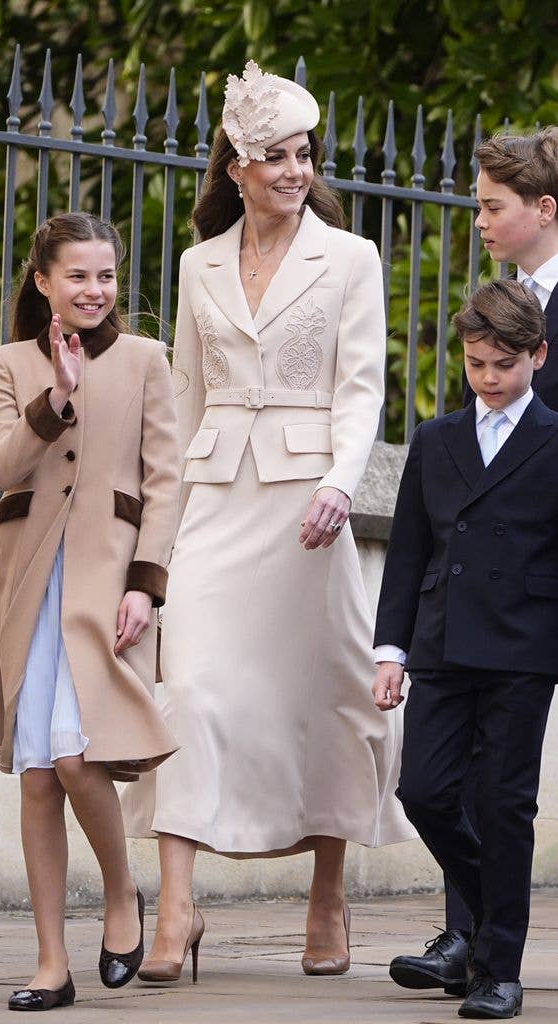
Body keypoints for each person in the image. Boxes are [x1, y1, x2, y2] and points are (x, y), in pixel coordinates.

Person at [123, 60, 413, 984]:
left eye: (304, 155)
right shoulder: (196, 263)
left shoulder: (351, 257)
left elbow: (362, 387)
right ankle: (175, 907)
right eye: (276, 157)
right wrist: (153, 530)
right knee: (191, 691)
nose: (295, 170)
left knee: (317, 695)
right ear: (237, 166)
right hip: (214, 498)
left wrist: (340, 481)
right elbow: (182, 391)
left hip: (307, 510)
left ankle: (327, 896)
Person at [0, 213, 181, 1010]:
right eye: (77, 275)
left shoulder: (148, 358)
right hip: (26, 580)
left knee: (78, 758)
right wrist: (57, 395)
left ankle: (121, 895)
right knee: (38, 776)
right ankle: (50, 961)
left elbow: (165, 480)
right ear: (43, 281)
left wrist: (145, 583)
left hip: (105, 581)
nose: (94, 290)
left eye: (105, 275)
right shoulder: (11, 363)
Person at [388, 126, 558, 998]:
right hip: (457, 618)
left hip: (527, 615)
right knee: (438, 784)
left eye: (491, 205)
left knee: (502, 795)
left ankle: (486, 948)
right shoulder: (494, 314)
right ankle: (470, 932)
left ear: (542, 209)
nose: (478, 218)